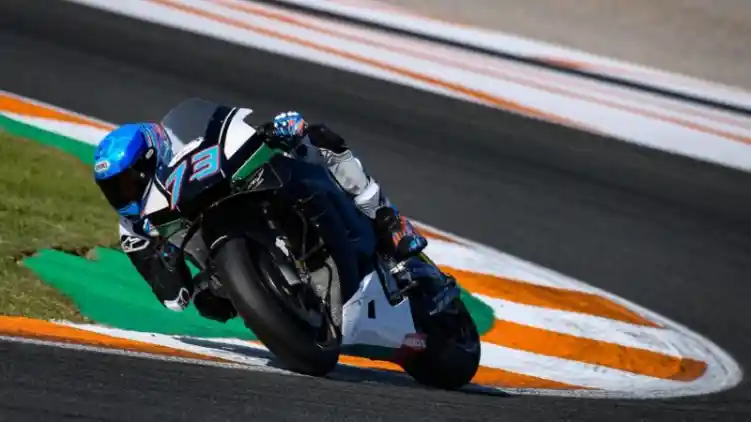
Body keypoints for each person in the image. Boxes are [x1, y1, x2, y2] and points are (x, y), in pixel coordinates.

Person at [93, 110, 429, 321]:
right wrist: (167, 258)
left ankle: (388, 218)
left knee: (315, 137)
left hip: (248, 201)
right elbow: (173, 298)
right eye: (113, 190)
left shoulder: (188, 148)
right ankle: (288, 308)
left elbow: (229, 137)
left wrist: (278, 131)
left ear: (152, 158)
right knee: (210, 305)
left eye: (126, 183)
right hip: (226, 272)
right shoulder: (133, 230)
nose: (124, 196)